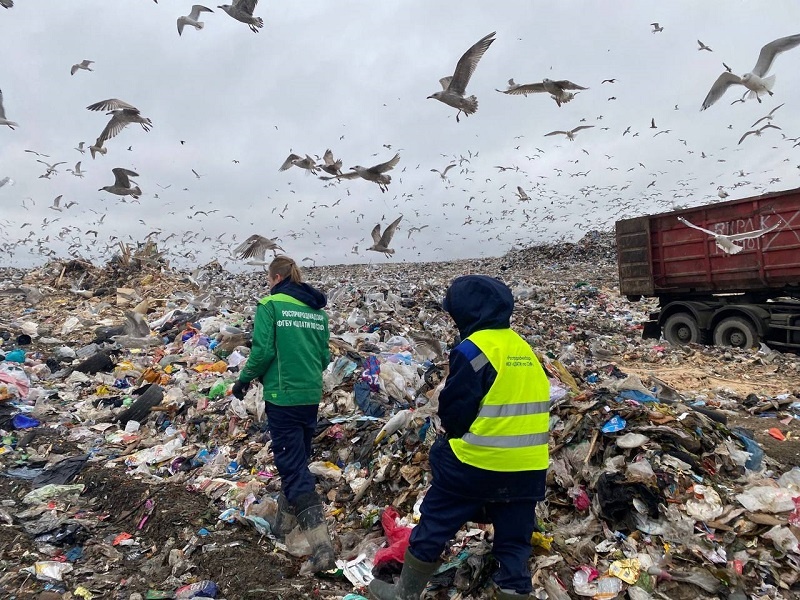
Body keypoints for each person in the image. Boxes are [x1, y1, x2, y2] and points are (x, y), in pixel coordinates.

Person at [369, 275, 550, 600]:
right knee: (514, 541)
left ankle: (404, 594)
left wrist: (446, 439)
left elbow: (456, 411)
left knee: (435, 523)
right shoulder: (523, 348)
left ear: (468, 311)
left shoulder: (474, 350)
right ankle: (514, 591)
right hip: (529, 468)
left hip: (477, 465)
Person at [231, 255, 335, 573]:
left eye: (268, 279)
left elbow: (262, 351)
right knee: (298, 461)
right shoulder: (317, 312)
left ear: (275, 278)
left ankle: (322, 548)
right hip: (309, 395)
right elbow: (324, 355)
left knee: (292, 468)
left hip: (283, 395)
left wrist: (244, 380)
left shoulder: (271, 305)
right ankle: (282, 529)